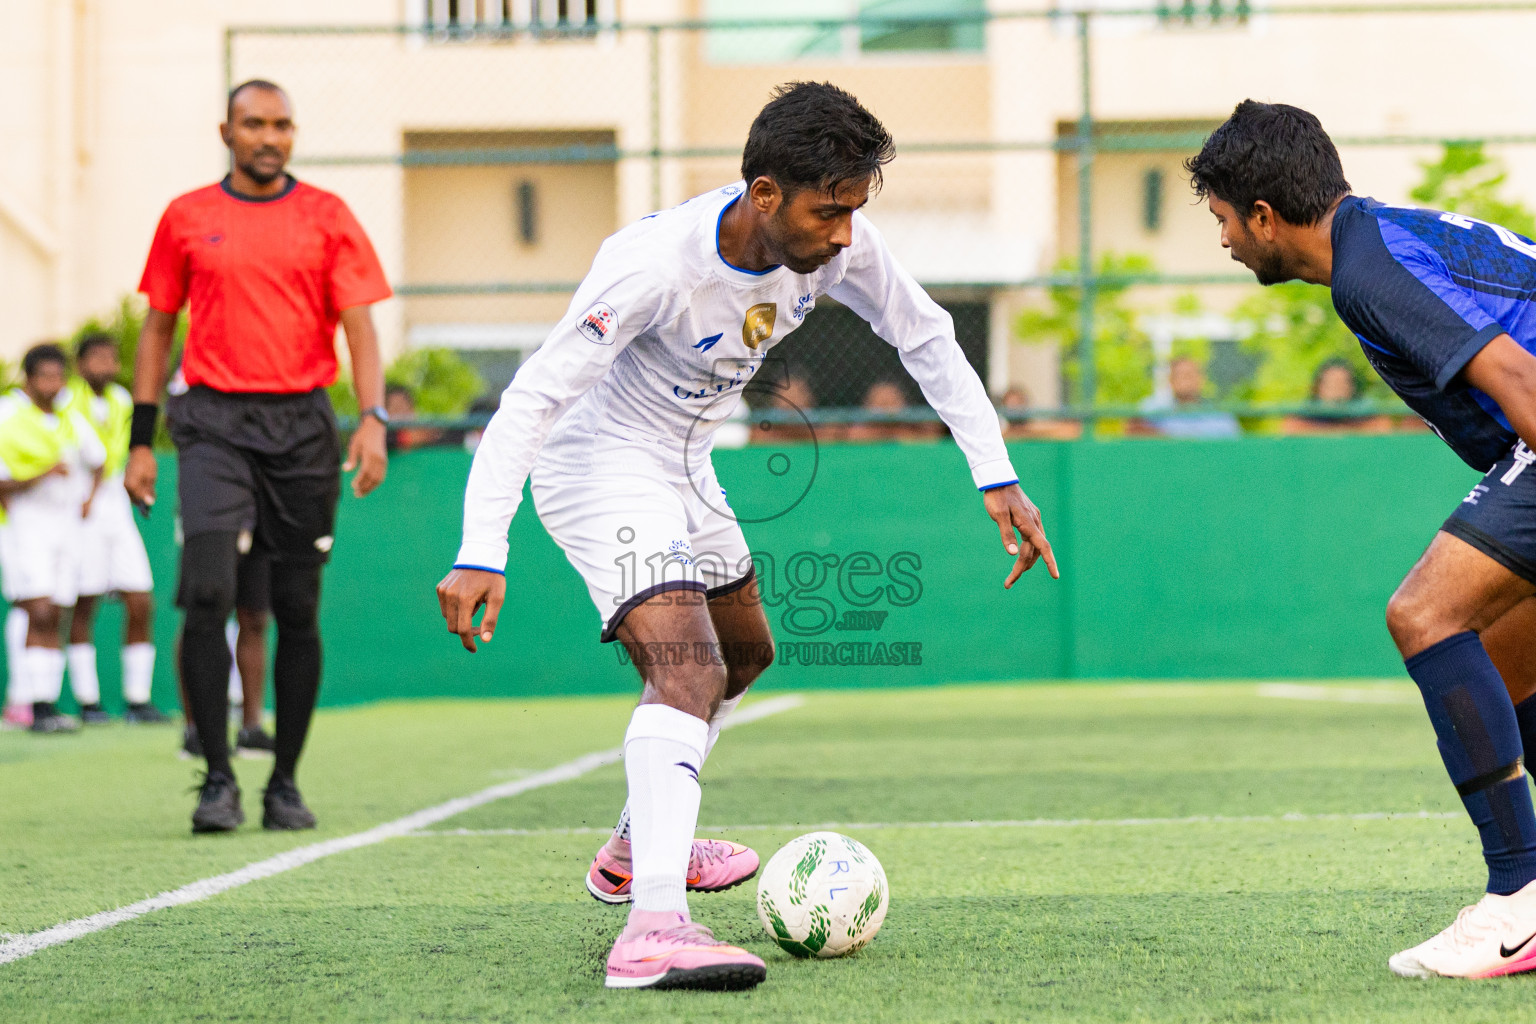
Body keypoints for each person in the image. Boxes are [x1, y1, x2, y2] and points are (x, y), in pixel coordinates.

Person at [436, 81, 1058, 991]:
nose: (845, 233)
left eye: (854, 209)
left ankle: (635, 844)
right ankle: (652, 928)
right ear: (764, 194)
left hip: (689, 459)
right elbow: (533, 396)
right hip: (598, 461)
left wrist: (994, 470)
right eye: (827, 210)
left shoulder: (838, 243)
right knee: (686, 669)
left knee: (745, 653)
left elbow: (926, 336)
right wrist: (479, 544)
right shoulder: (654, 264)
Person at [1189, 98, 1536, 979]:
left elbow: (1520, 377)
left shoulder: (1367, 272)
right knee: (1504, 652)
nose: (1225, 241)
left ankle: (1518, 897)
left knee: (1424, 614)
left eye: (1225, 219)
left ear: (1265, 217)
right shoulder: (1376, 240)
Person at [126, 79, 390, 833]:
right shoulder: (186, 217)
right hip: (210, 421)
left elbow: (360, 329)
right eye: (253, 124)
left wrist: (370, 420)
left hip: (303, 427)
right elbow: (155, 330)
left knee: (296, 608)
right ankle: (216, 778)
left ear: (292, 134)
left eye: (280, 125)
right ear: (226, 132)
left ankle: (282, 783)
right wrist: (141, 442)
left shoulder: (328, 216)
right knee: (208, 594)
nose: (268, 137)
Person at [60, 332, 169, 724]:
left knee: (140, 599)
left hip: (117, 507)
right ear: (81, 364)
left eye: (112, 358)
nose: (107, 365)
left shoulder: (125, 400)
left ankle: (137, 700)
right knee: (83, 602)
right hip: (78, 508)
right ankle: (88, 702)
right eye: (98, 358)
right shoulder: (65, 400)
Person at [0, 345, 105, 734]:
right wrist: (42, 474)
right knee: (38, 609)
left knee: (58, 612)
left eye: (58, 376)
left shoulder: (70, 421)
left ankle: (46, 704)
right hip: (25, 526)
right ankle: (35, 705)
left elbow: (99, 462)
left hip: (67, 528)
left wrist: (88, 501)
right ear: (28, 379)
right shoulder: (8, 419)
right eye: (45, 376)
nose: (53, 384)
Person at [1130, 356, 1241, 438]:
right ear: (1171, 380)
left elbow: (1234, 449)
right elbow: (1133, 430)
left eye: (1190, 375)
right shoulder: (1153, 407)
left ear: (1202, 379)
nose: (1186, 381)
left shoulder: (1219, 416)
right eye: (1180, 375)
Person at [1281, 358, 1394, 434]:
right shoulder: (1303, 415)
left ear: (1352, 387)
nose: (1337, 389)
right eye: (1331, 383)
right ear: (1318, 387)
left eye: (1342, 383)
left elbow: (1383, 428)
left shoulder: (1366, 412)